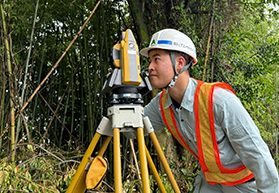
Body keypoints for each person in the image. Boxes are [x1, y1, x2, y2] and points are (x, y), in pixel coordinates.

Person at [141, 28, 279, 193]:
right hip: (210, 182)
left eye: (156, 59)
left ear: (179, 63)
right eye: (149, 61)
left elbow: (257, 154)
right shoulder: (160, 105)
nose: (150, 67)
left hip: (244, 183)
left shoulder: (218, 100)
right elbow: (131, 127)